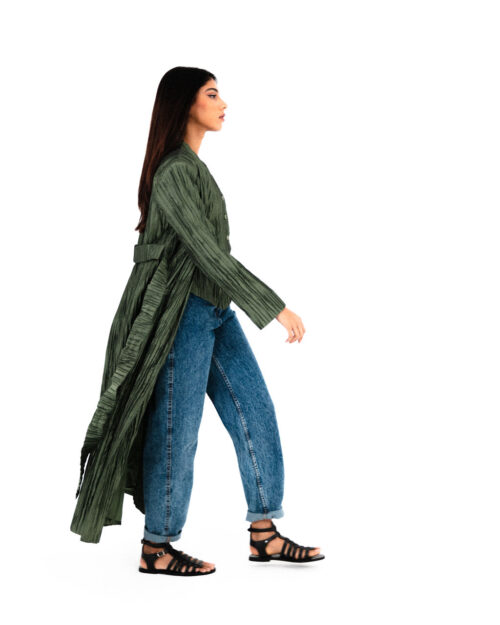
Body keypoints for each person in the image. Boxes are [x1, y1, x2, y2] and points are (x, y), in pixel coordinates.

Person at [71, 66, 325, 576]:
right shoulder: (173, 172)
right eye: (212, 94)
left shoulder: (193, 168)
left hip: (214, 308)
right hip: (181, 310)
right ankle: (157, 546)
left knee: (255, 410)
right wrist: (275, 307)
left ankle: (264, 533)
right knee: (177, 427)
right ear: (186, 104)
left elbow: (209, 256)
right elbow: (207, 252)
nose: (223, 103)